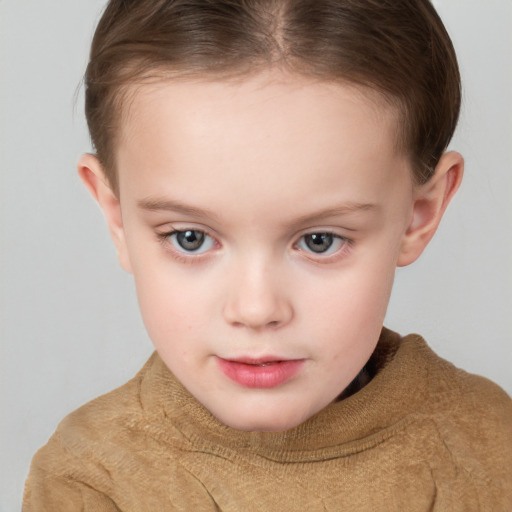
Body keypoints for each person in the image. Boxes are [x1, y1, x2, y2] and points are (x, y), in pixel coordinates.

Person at [23, 0, 512, 510]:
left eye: (319, 240)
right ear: (116, 214)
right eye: (190, 237)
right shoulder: (90, 479)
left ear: (420, 212)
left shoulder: (489, 452)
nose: (256, 310)